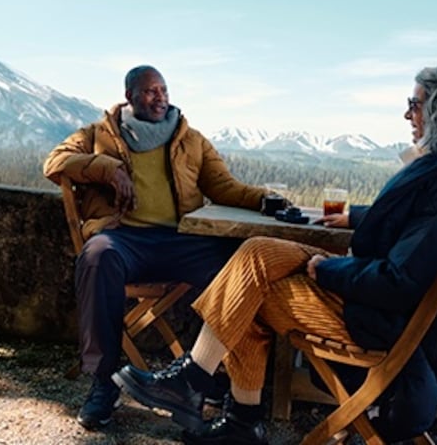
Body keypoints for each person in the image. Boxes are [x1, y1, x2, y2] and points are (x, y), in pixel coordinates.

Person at [113, 64, 437, 444]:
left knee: (246, 293)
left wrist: (328, 271)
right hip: (407, 312)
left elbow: (399, 282)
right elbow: (421, 229)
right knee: (256, 254)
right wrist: (360, 218)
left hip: (384, 319)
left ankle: (221, 404)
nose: (407, 115)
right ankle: (205, 391)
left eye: (414, 105)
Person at [43, 65, 273, 431]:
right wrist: (104, 167)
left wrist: (265, 198)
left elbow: (225, 188)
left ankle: (216, 377)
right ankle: (104, 382)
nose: (160, 96)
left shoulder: (190, 139)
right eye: (150, 91)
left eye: (163, 90)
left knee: (240, 269)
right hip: (124, 239)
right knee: (96, 257)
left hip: (182, 240)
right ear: (130, 96)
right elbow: (54, 163)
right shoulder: (98, 134)